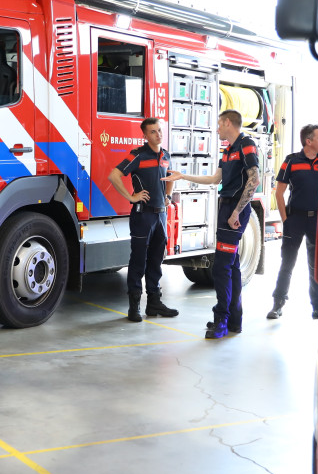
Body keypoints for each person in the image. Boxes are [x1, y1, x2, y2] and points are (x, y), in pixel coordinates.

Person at [164, 110, 259, 339]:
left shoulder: (246, 144)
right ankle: (234, 320)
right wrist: (183, 176)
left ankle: (221, 320)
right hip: (226, 207)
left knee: (221, 268)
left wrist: (236, 211)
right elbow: (215, 179)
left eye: (219, 124)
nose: (216, 128)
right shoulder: (227, 150)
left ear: (228, 122)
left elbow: (254, 179)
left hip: (234, 210)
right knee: (232, 266)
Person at [109, 118, 180, 323]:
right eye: (153, 132)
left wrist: (167, 197)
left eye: (159, 130)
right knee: (138, 261)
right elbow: (114, 175)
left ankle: (154, 303)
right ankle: (134, 306)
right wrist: (132, 197)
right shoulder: (137, 155)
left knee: (156, 260)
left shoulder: (165, 155)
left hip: (160, 215)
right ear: (145, 135)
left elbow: (170, 177)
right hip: (143, 216)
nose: (158, 134)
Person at [268, 124, 318, 321]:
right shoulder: (291, 161)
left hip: (317, 222)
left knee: (316, 266)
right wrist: (285, 220)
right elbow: (279, 192)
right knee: (287, 263)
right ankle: (277, 305)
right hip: (295, 220)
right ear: (309, 141)